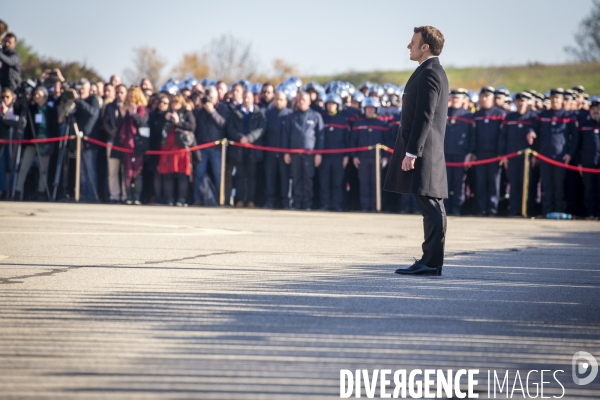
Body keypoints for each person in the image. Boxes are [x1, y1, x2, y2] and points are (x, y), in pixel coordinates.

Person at [385, 25, 449, 276]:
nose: (408, 46)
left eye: (413, 42)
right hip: (425, 149)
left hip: (425, 151)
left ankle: (431, 262)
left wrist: (412, 152)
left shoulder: (430, 72)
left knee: (431, 205)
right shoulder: (427, 71)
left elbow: (425, 116)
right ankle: (430, 260)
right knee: (429, 205)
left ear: (425, 47)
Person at [529, 88, 579, 215]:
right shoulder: (543, 115)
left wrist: (569, 154)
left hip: (560, 157)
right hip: (545, 156)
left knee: (559, 186)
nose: (555, 100)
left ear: (562, 99)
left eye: (558, 98)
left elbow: (576, 137)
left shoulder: (568, 116)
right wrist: (530, 132)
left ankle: (559, 210)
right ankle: (547, 211)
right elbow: (533, 128)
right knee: (547, 186)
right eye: (553, 98)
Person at [13, 86, 59, 200]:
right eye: (35, 94)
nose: (36, 96)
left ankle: (41, 191)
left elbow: (54, 127)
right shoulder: (31, 108)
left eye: (39, 94)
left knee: (43, 169)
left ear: (45, 96)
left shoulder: (51, 110)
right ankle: (18, 191)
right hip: (32, 142)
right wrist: (21, 98)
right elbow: (17, 110)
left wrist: (52, 143)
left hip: (45, 142)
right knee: (24, 166)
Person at [282, 91, 324, 210]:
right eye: (299, 100)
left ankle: (307, 204)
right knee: (296, 178)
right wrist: (286, 152)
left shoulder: (316, 116)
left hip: (309, 155)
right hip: (295, 154)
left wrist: (318, 154)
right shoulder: (291, 116)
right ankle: (297, 203)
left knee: (308, 178)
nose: (301, 102)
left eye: (304, 100)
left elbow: (320, 136)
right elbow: (286, 135)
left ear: (309, 102)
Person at [498, 92, 537, 216]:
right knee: (514, 184)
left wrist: (535, 155)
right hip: (512, 157)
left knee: (526, 185)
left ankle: (526, 210)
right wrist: (503, 155)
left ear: (527, 102)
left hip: (527, 158)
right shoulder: (509, 118)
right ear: (515, 102)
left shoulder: (533, 118)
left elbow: (539, 136)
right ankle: (514, 210)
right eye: (518, 101)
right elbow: (503, 137)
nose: (521, 103)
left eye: (523, 101)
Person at [469, 86, 506, 216]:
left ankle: (492, 209)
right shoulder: (477, 115)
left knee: (493, 183)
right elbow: (472, 135)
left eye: (487, 97)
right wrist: (472, 152)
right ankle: (481, 208)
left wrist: (502, 153)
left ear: (492, 99)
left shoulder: (500, 114)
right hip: (480, 154)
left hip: (494, 155)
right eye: (482, 96)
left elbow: (503, 136)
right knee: (480, 182)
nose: (484, 99)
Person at [227, 90, 266, 208]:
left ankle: (251, 200)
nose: (246, 100)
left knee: (252, 176)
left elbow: (261, 128)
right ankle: (239, 199)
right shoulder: (235, 113)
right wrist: (240, 138)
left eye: (248, 97)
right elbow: (230, 129)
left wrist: (250, 138)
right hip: (239, 149)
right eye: (244, 97)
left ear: (253, 99)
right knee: (240, 175)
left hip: (253, 150)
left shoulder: (259, 113)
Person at [351, 97, 391, 212]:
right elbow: (353, 141)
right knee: (364, 183)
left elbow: (387, 142)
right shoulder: (358, 124)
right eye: (368, 108)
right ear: (364, 109)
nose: (370, 110)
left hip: (377, 159)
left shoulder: (382, 124)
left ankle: (375, 207)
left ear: (376, 110)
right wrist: (354, 157)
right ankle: (365, 207)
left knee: (376, 184)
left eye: (372, 108)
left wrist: (386, 157)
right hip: (362, 159)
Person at [157, 94, 196, 206]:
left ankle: (181, 199)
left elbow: (192, 127)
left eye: (177, 101)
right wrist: (165, 119)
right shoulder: (166, 113)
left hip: (181, 148)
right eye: (173, 101)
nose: (174, 103)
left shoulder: (187, 113)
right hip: (167, 148)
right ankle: (169, 199)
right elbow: (157, 128)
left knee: (182, 175)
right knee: (167, 174)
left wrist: (178, 122)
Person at [193, 85, 229, 205]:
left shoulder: (222, 108)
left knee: (218, 175)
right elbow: (195, 126)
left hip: (216, 147)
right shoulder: (200, 110)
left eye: (211, 97)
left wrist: (212, 111)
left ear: (217, 97)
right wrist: (200, 106)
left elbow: (223, 123)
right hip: (202, 146)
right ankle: (197, 199)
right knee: (199, 174)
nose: (209, 100)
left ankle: (220, 200)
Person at [70, 78, 100, 201]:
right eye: (79, 89)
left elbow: (92, 112)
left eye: (83, 89)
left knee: (90, 169)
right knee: (81, 171)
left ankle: (92, 194)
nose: (81, 91)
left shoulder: (93, 100)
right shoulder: (78, 102)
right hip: (79, 141)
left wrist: (78, 100)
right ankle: (83, 194)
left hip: (89, 141)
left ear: (89, 89)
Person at [444, 88, 472, 216]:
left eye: (458, 98)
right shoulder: (444, 112)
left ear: (463, 100)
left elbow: (472, 137)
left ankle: (457, 207)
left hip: (460, 154)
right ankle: (445, 206)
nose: (455, 100)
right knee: (445, 182)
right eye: (453, 97)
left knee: (458, 183)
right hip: (444, 153)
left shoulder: (467, 115)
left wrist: (469, 154)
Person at [320, 93, 350, 211]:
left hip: (339, 156)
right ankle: (325, 204)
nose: (331, 106)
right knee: (324, 181)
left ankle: (337, 205)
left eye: (333, 104)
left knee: (337, 182)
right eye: (329, 104)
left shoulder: (342, 120)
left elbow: (347, 139)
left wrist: (346, 156)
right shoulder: (321, 118)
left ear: (337, 105)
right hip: (324, 156)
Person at [118, 86, 149, 205]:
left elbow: (142, 123)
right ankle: (129, 196)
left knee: (137, 172)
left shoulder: (142, 109)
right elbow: (118, 125)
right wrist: (121, 114)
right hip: (126, 144)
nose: (131, 99)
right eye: (129, 96)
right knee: (128, 172)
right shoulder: (125, 109)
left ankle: (136, 196)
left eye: (133, 96)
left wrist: (135, 113)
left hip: (137, 144)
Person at [263, 91, 292, 209]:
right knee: (270, 178)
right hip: (270, 152)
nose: (278, 102)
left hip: (284, 153)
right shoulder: (268, 114)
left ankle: (285, 202)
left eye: (281, 99)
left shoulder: (290, 115)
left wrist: (288, 152)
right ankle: (270, 201)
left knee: (285, 179)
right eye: (277, 99)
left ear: (286, 101)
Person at [103, 84, 128, 203]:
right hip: (112, 141)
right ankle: (114, 195)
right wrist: (113, 133)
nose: (119, 95)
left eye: (122, 92)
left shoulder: (129, 107)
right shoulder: (110, 107)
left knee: (125, 170)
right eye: (117, 92)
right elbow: (105, 122)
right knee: (112, 170)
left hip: (126, 143)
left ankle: (125, 195)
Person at [577, 98, 600, 219]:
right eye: (593, 109)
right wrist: (579, 163)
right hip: (587, 163)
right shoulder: (584, 125)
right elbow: (579, 145)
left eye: (598, 109)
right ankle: (590, 213)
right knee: (589, 190)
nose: (596, 111)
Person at [147, 93, 169, 203]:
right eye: (160, 102)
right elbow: (154, 129)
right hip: (155, 147)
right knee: (156, 173)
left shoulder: (170, 115)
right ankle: (158, 197)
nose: (162, 105)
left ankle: (167, 197)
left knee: (166, 174)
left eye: (165, 103)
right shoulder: (153, 115)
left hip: (167, 147)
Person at [0, 88, 17, 198]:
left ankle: (11, 190)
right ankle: (2, 190)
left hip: (14, 142)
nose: (5, 99)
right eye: (2, 97)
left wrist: (7, 114)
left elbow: (19, 122)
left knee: (12, 166)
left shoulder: (17, 109)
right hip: (2, 142)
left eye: (7, 97)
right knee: (1, 166)